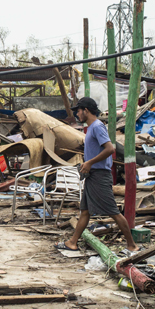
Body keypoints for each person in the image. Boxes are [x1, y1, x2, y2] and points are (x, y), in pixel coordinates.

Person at [57, 97, 141, 253]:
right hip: (92, 175)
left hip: (100, 175)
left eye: (79, 111)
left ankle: (132, 245)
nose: (77, 115)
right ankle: (73, 242)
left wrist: (89, 163)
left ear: (86, 111)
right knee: (85, 211)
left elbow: (109, 149)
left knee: (113, 212)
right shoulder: (91, 128)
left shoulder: (97, 127)